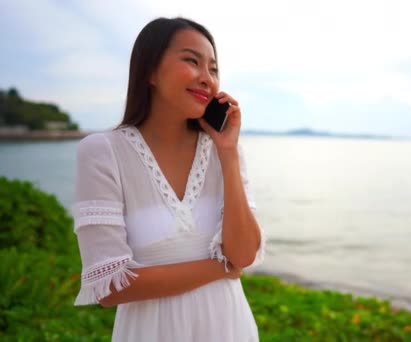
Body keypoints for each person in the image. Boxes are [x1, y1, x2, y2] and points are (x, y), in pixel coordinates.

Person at [70, 17, 265, 341]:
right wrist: (221, 268)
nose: (207, 78)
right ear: (150, 70)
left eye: (213, 69)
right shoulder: (103, 152)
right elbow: (111, 285)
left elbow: (243, 255)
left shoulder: (225, 152)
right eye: (192, 61)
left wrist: (227, 154)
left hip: (231, 328)